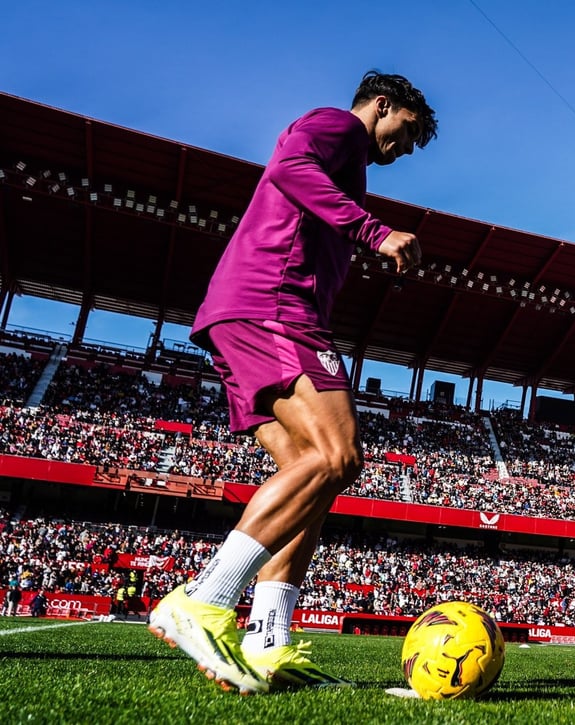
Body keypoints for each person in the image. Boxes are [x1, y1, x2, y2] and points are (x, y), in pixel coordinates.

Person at [147, 70, 437, 695]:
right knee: (339, 454)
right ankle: (205, 600)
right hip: (272, 308)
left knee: (311, 477)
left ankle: (265, 644)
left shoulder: (351, 160)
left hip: (248, 312)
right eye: (408, 131)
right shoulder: (338, 127)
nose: (406, 149)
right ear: (382, 106)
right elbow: (287, 169)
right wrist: (374, 231)